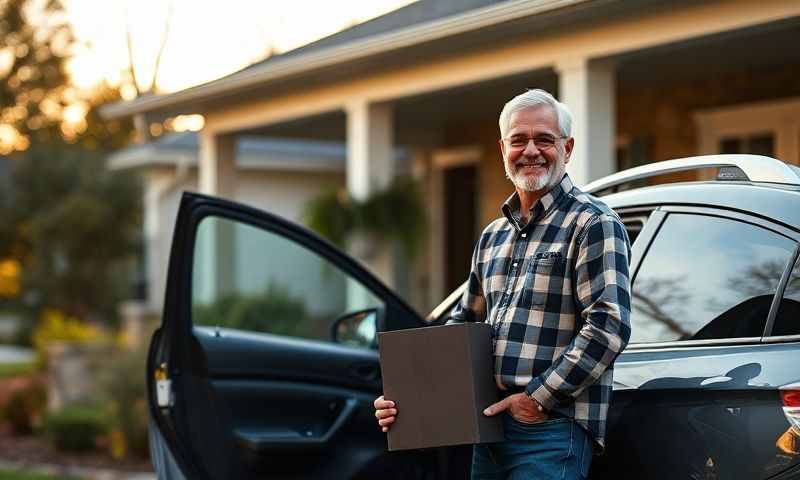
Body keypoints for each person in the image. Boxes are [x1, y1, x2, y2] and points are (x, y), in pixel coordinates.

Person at [374, 89, 632, 479]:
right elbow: (462, 328)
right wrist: (407, 398)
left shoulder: (593, 223)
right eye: (519, 140)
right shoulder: (492, 236)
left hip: (550, 429)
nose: (531, 150)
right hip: (488, 430)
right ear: (502, 148)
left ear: (568, 147)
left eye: (544, 139)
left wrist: (537, 400)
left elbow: (609, 326)